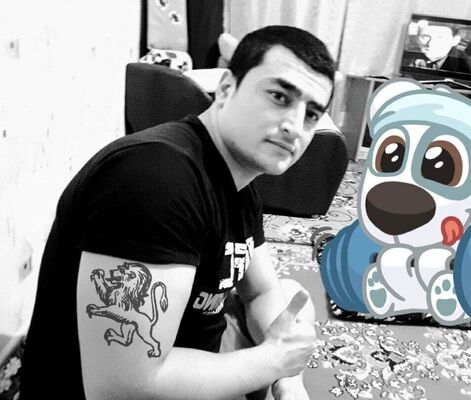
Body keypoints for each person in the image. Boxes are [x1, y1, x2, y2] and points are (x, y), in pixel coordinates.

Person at [19, 25, 335, 400]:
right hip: (122, 386)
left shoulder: (239, 181)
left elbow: (262, 290)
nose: (295, 127)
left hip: (191, 358)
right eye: (279, 96)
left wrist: (289, 382)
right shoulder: (155, 179)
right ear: (226, 89)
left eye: (311, 114)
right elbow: (120, 387)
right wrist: (273, 361)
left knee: (293, 297)